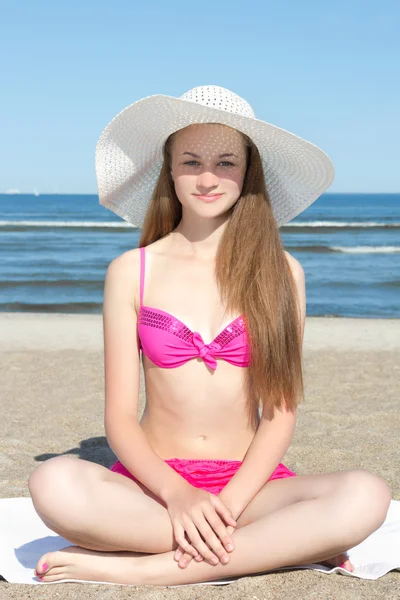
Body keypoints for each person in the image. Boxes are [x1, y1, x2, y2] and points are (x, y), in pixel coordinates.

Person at [28, 85, 391, 586]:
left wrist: (229, 503)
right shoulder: (131, 271)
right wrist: (180, 495)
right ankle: (269, 547)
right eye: (190, 161)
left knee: (367, 494)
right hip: (154, 489)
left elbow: (279, 416)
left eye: (225, 162)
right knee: (54, 483)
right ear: (169, 171)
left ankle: (152, 570)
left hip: (250, 488)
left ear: (247, 171)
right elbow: (118, 419)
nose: (206, 177)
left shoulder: (283, 273)